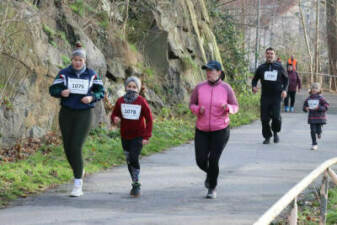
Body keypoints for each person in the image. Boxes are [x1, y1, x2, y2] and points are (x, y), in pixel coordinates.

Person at [49, 42, 105, 197]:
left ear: (84, 61)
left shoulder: (92, 75)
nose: (77, 62)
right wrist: (62, 92)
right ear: (72, 60)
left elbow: (101, 91)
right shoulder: (64, 73)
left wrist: (91, 97)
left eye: (80, 60)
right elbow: (52, 89)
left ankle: (78, 183)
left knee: (76, 146)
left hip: (84, 114)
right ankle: (79, 170)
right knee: (67, 148)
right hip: (66, 113)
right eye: (75, 59)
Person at [189, 60, 239, 199]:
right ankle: (211, 173)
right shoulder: (199, 88)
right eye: (207, 70)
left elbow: (235, 106)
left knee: (214, 159)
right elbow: (192, 104)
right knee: (200, 160)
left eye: (211, 70)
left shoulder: (226, 88)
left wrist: (228, 108)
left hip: (221, 129)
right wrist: (198, 109)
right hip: (202, 129)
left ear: (219, 72)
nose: (208, 73)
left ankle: (212, 187)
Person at [111, 76, 153, 197]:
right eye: (129, 86)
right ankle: (135, 183)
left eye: (134, 87)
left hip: (138, 135)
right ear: (125, 87)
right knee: (129, 160)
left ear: (138, 89)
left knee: (134, 158)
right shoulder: (120, 101)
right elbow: (115, 114)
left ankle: (136, 184)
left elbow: (149, 119)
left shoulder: (141, 101)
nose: (131, 89)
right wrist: (115, 119)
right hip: (125, 136)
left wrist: (146, 136)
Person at [252, 47, 288, 144]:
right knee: (264, 118)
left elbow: (286, 80)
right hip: (265, 96)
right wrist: (254, 86)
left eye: (271, 53)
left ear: (274, 55)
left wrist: (284, 90)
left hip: (277, 96)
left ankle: (275, 133)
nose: (269, 55)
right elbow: (255, 79)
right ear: (265, 55)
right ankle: (267, 137)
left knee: (276, 117)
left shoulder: (279, 67)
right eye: (268, 53)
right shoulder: (261, 67)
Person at [303, 83, 329, 150]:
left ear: (319, 90)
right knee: (312, 131)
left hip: (320, 118)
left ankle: (319, 132)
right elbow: (304, 106)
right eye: (313, 88)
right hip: (312, 118)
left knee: (318, 130)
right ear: (311, 89)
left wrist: (318, 108)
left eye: (316, 88)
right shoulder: (308, 98)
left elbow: (326, 106)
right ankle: (314, 144)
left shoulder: (321, 98)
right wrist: (305, 108)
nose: (314, 89)